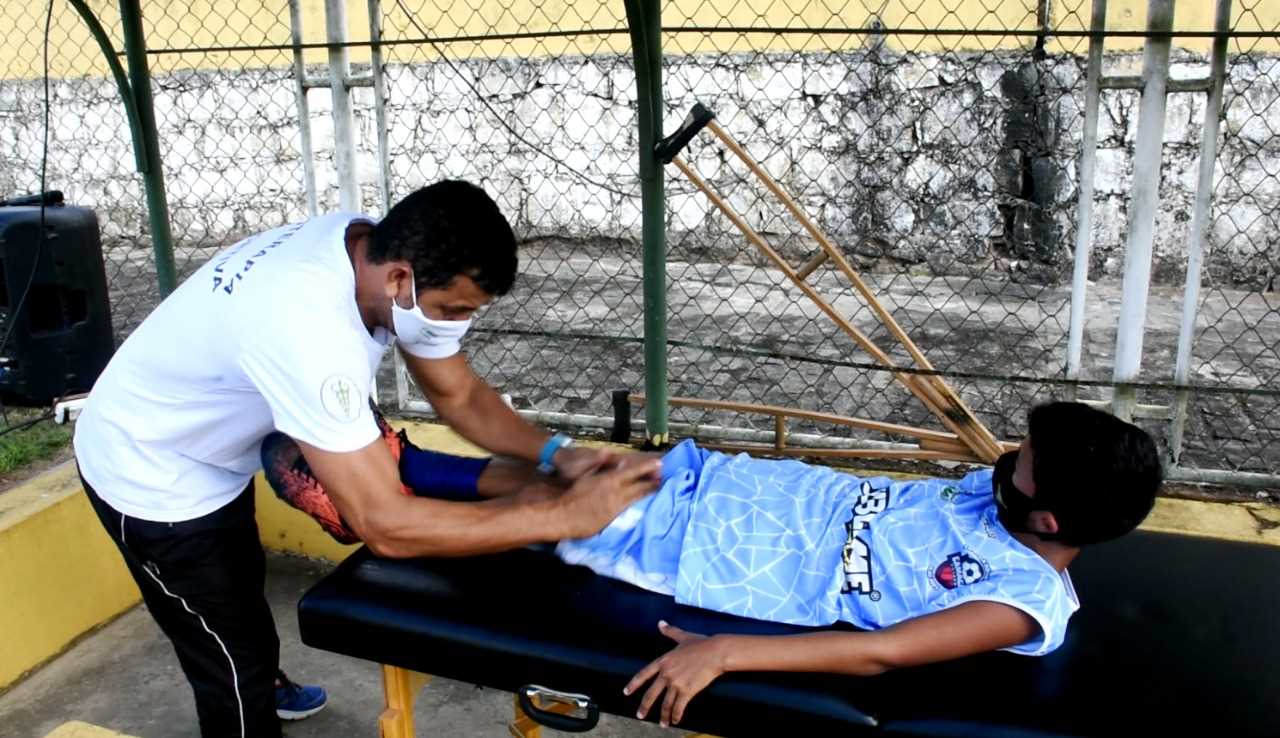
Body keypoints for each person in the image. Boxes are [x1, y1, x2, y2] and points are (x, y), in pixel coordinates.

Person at [72, 180, 661, 738]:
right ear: (401, 280)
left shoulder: (369, 256)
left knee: (239, 581)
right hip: (149, 471)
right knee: (226, 649)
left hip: (213, 449)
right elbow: (384, 526)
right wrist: (563, 518)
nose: (460, 324)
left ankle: (258, 675)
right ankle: (248, 694)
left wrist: (561, 454)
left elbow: (458, 393)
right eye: (454, 310)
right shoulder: (307, 328)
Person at [264, 400, 1161, 730]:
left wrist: (725, 651)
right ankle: (405, 465)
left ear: (1044, 517)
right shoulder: (1002, 496)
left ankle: (375, 511)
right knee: (598, 468)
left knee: (566, 515)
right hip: (752, 491)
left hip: (726, 559)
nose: (1003, 461)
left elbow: (880, 653)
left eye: (1024, 467)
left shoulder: (1020, 599)